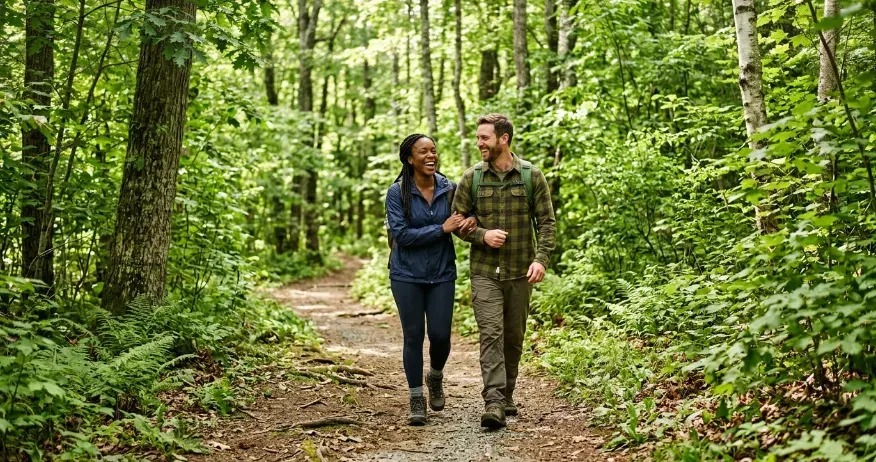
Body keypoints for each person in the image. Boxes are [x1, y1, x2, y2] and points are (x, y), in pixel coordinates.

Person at [452, 114, 557, 429]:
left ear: (504, 139)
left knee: (513, 337)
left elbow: (547, 222)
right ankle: (494, 401)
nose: (479, 143)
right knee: (491, 334)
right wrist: (481, 235)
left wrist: (541, 259)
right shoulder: (472, 178)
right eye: (478, 138)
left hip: (519, 271)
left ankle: (508, 392)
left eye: (485, 138)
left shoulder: (530, 176)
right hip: (484, 271)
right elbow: (456, 221)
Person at [385, 133, 476, 426]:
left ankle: (435, 375)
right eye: (423, 152)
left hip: (441, 273)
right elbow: (401, 236)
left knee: (439, 335)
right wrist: (441, 229)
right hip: (406, 274)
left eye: (433, 151)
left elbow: (464, 219)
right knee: (413, 336)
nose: (430, 156)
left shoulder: (449, 188)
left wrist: (470, 222)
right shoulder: (396, 193)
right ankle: (415, 397)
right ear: (409, 159)